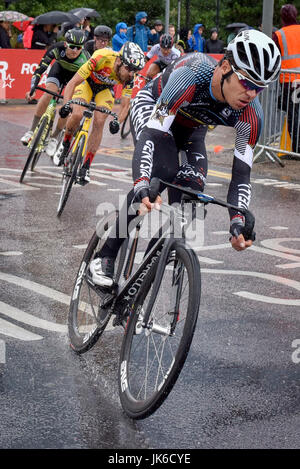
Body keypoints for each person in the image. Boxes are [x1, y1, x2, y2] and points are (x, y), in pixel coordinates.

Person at [87, 30, 281, 287]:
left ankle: (142, 282)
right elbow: (153, 135)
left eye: (259, 88)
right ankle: (105, 255)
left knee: (192, 198)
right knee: (163, 173)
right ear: (225, 67)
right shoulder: (192, 75)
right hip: (154, 110)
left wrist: (238, 221)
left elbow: (241, 174)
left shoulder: (251, 114)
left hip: (191, 129)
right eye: (246, 82)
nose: (251, 94)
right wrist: (143, 182)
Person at [54, 42, 145, 185]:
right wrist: (67, 104)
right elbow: (72, 83)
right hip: (86, 83)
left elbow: (125, 106)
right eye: (129, 68)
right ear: (119, 60)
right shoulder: (101, 57)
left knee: (100, 121)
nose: (131, 73)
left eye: (135, 70)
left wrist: (117, 122)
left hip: (105, 90)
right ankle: (66, 142)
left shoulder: (129, 78)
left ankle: (86, 166)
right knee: (77, 114)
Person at [20, 29, 89, 155]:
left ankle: (54, 138)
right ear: (65, 44)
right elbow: (40, 69)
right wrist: (32, 89)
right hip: (58, 71)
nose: (74, 51)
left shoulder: (85, 58)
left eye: (78, 48)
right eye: (72, 46)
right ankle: (31, 131)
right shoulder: (56, 49)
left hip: (74, 79)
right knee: (48, 93)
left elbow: (87, 82)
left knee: (66, 106)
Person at [273, 4, 300, 155]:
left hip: (289, 81)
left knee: (293, 115)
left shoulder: (279, 34)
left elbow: (274, 57)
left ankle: (297, 150)